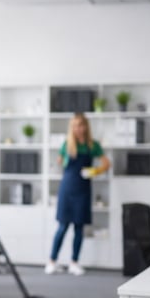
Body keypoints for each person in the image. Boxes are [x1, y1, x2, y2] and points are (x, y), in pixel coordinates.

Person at [45, 112, 110, 276]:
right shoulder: (67, 144)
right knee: (62, 226)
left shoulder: (92, 145)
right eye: (75, 126)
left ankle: (74, 262)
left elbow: (106, 163)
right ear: (72, 128)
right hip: (67, 187)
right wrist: (65, 159)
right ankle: (52, 261)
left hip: (83, 189)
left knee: (79, 227)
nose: (79, 129)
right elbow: (59, 161)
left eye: (81, 125)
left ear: (86, 127)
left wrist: (95, 170)